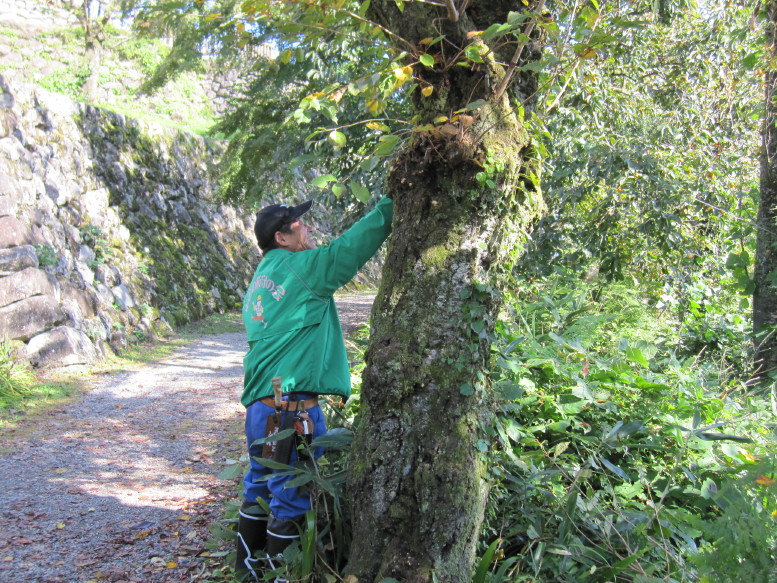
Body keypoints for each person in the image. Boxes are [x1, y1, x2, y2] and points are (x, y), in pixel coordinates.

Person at [235, 195, 393, 581]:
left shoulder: (261, 278)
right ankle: (282, 575)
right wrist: (392, 202)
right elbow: (352, 247)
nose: (307, 228)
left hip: (260, 407)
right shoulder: (302, 269)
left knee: (258, 484)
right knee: (291, 494)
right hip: (292, 412)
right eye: (299, 225)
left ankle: (245, 571)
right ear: (282, 237)